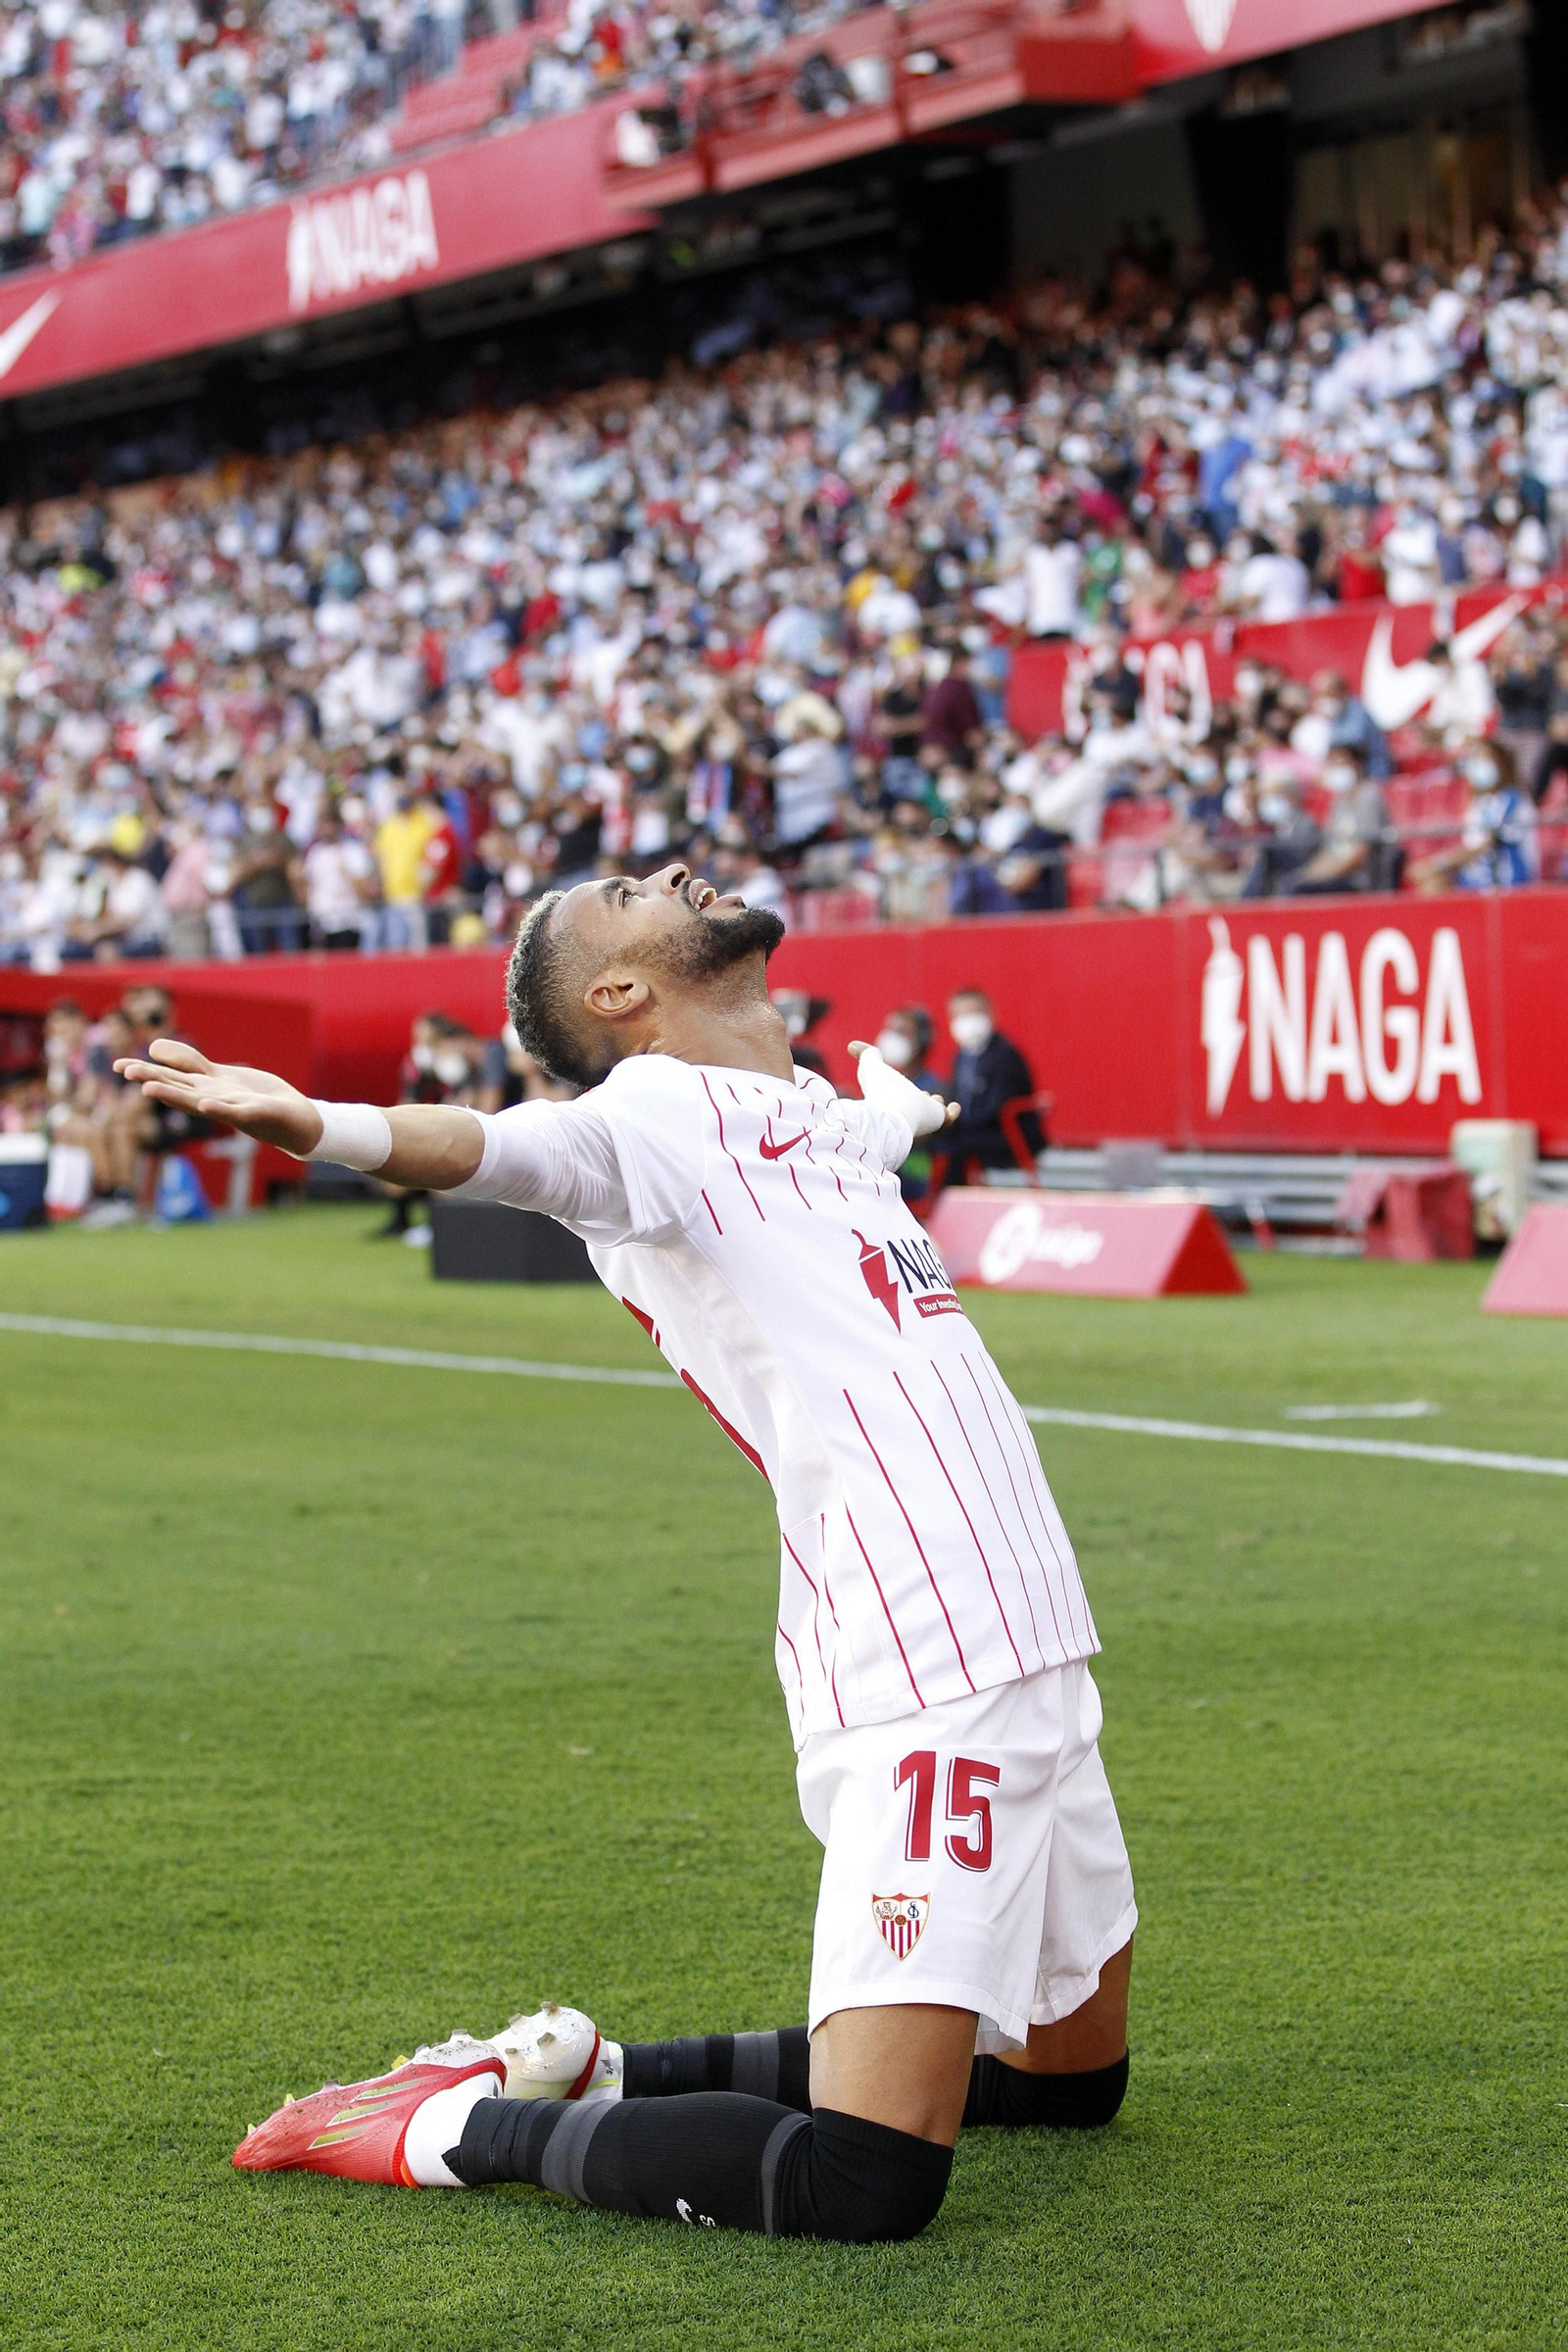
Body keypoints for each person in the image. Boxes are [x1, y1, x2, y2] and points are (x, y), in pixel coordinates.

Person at [116, 859, 1134, 2246]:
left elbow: (830, 1142)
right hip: (927, 1649)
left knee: (1068, 2082)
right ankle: (453, 2128)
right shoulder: (647, 1116)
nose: (665, 868)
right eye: (621, 890)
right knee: (868, 2185)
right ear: (619, 994)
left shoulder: (806, 1118)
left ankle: (596, 2069)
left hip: (1030, 1631)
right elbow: (516, 1151)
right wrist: (328, 1126)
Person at [941, 989, 1040, 1179]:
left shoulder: (1006, 1055)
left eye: (973, 1013)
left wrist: (961, 1123)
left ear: (989, 1014)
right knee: (940, 1140)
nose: (967, 1020)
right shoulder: (960, 1057)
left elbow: (997, 1107)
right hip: (973, 1133)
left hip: (1005, 1137)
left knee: (956, 1146)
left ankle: (948, 1202)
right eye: (961, 1015)